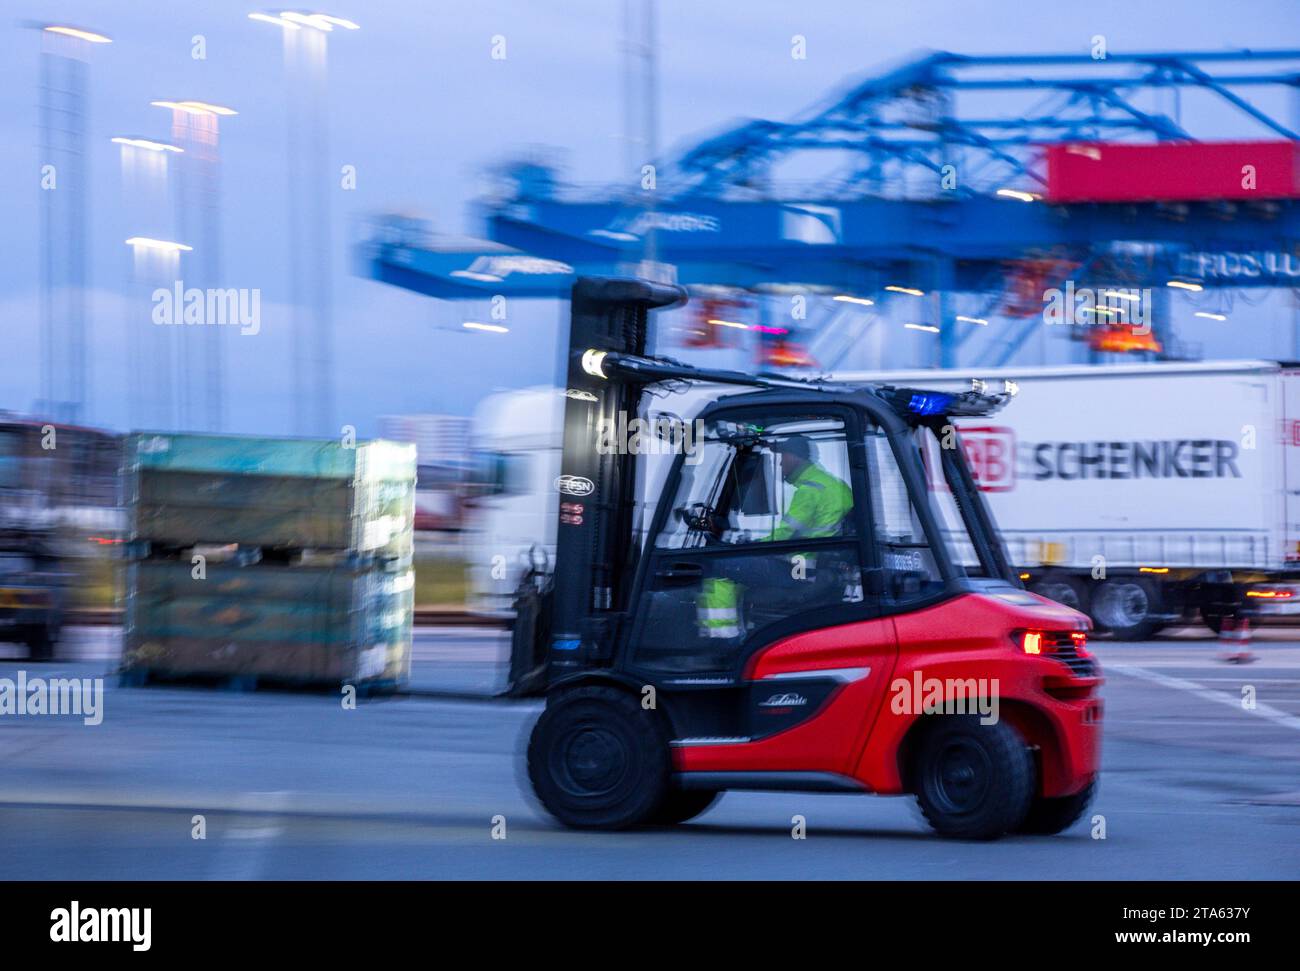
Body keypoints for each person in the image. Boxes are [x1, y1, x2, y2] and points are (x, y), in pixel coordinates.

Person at [697, 436, 854, 640]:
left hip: (799, 569)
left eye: (782, 458)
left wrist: (751, 546)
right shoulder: (835, 485)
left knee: (718, 566)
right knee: (738, 566)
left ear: (793, 457)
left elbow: (783, 535)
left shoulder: (810, 491)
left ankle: (722, 638)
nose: (780, 464)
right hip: (817, 565)